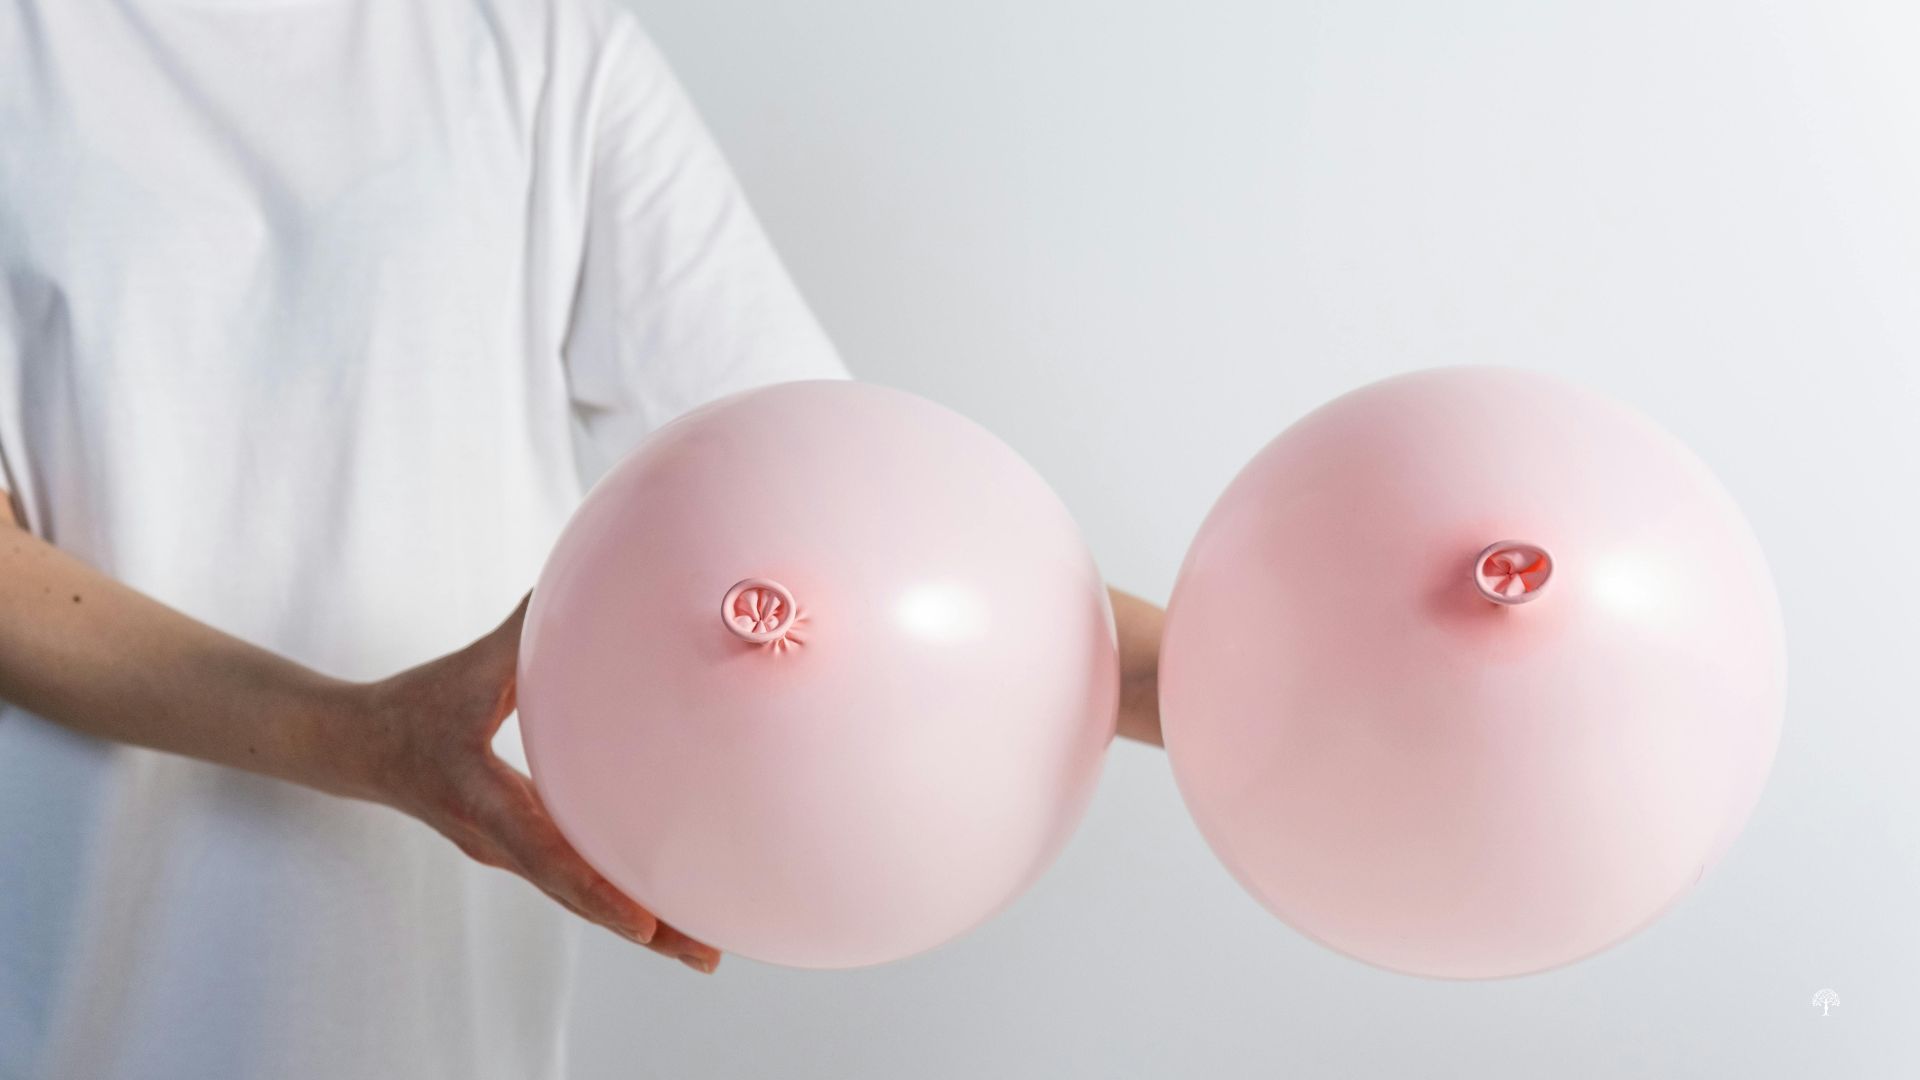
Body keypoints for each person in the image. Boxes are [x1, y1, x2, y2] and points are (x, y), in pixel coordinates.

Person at [0, 0, 1168, 1076]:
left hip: (443, 1019)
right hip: (80, 1003)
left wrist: (1222, 675)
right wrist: (366, 739)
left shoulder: (537, 41)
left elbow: (836, 507)